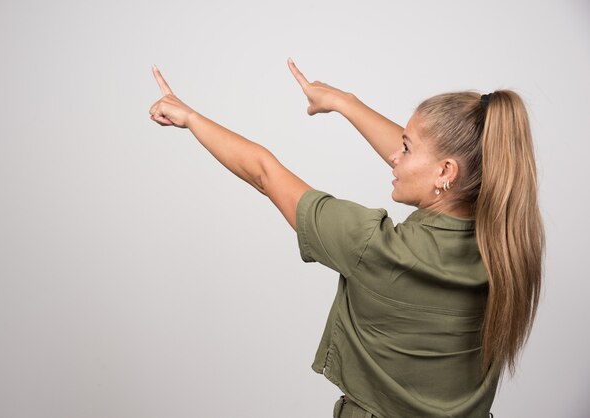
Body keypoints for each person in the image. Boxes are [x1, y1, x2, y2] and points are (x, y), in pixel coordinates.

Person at [148, 58, 544, 418]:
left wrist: (191, 118)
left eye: (405, 148)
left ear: (445, 172)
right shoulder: (505, 245)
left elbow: (264, 173)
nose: (394, 156)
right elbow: (439, 168)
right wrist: (345, 103)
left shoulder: (374, 247)